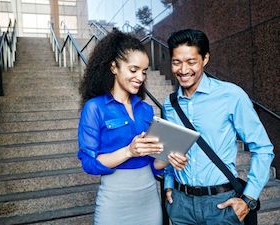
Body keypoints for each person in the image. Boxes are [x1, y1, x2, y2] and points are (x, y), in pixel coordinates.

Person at [163, 29, 275, 225]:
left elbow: (263, 149)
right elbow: (170, 150)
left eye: (191, 62)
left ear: (205, 59)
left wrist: (249, 198)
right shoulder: (169, 103)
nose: (183, 70)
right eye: (176, 62)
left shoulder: (231, 95)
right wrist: (168, 185)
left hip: (221, 204)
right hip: (181, 205)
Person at [77, 30, 185, 225]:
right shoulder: (95, 108)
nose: (141, 77)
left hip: (149, 199)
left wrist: (170, 158)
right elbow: (89, 163)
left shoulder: (146, 110)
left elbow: (153, 165)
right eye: (133, 70)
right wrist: (129, 151)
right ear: (114, 67)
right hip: (114, 201)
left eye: (144, 71)